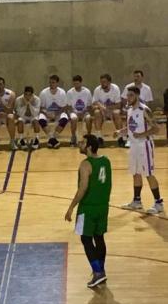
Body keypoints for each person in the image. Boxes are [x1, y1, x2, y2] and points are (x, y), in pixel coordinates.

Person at [65, 135, 112, 288]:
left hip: (88, 208)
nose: (80, 144)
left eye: (83, 142)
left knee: (86, 239)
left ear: (90, 147)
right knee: (99, 238)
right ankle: (101, 270)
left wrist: (71, 207)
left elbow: (83, 188)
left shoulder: (85, 164)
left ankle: (98, 272)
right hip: (103, 206)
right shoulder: (106, 161)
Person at [119, 87, 164, 214]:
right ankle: (137, 201)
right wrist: (120, 131)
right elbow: (131, 127)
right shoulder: (129, 110)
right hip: (133, 145)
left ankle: (158, 203)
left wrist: (142, 134)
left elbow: (156, 128)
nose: (128, 98)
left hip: (144, 145)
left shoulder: (144, 110)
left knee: (149, 173)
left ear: (137, 96)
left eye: (131, 95)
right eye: (127, 95)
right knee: (136, 173)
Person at [38, 74, 69, 149]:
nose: (51, 84)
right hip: (47, 113)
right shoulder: (43, 93)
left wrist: (56, 114)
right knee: (41, 119)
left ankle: (53, 137)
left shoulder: (62, 92)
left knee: (65, 118)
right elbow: (41, 107)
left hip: (58, 113)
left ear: (57, 83)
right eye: (50, 82)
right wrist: (47, 114)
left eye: (53, 82)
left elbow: (64, 107)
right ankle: (52, 138)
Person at [92, 74, 123, 147]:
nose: (102, 84)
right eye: (101, 82)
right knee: (96, 112)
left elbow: (118, 105)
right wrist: (100, 107)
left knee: (117, 113)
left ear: (109, 82)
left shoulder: (115, 88)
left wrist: (106, 109)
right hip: (102, 111)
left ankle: (120, 137)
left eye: (104, 82)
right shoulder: (97, 89)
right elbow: (93, 104)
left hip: (112, 110)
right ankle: (99, 137)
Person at [66, 75, 93, 146]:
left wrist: (83, 112)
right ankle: (73, 136)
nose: (76, 85)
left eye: (77, 83)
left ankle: (89, 136)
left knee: (88, 118)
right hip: (74, 112)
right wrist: (76, 112)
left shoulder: (87, 92)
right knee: (73, 118)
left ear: (81, 83)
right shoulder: (69, 92)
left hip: (85, 111)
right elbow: (69, 106)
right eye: (74, 84)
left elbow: (89, 106)